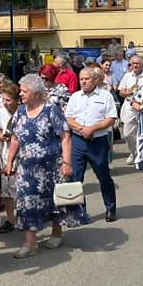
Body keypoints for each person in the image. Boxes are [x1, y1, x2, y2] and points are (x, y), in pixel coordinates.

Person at [5, 74, 84, 257]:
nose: (21, 94)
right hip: (27, 168)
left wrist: (66, 162)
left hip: (51, 166)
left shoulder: (51, 110)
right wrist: (9, 161)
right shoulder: (21, 111)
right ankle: (30, 243)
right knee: (26, 203)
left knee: (54, 201)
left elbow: (65, 137)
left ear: (36, 93)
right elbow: (15, 138)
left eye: (24, 91)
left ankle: (56, 232)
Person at [65, 69, 118, 221]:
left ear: (95, 80)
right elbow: (68, 118)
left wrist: (92, 128)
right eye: (81, 79)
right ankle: (80, 213)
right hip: (78, 141)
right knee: (76, 178)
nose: (83, 81)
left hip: (98, 141)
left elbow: (111, 118)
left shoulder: (105, 96)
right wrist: (82, 129)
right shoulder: (75, 97)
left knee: (103, 175)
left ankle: (110, 208)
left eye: (87, 78)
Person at [0, 82, 20, 234]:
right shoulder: (2, 112)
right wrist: (0, 136)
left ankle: (25, 216)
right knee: (6, 188)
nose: (5, 103)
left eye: (8, 100)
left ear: (17, 100)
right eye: (3, 99)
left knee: (20, 187)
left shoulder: (23, 111)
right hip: (5, 153)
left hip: (21, 154)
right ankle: (10, 219)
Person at [117, 56, 143, 163]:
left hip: (142, 107)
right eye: (132, 63)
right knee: (127, 134)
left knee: (142, 133)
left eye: (137, 63)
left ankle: (141, 155)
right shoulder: (127, 76)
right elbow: (120, 92)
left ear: (142, 64)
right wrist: (128, 92)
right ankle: (133, 152)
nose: (135, 65)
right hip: (129, 107)